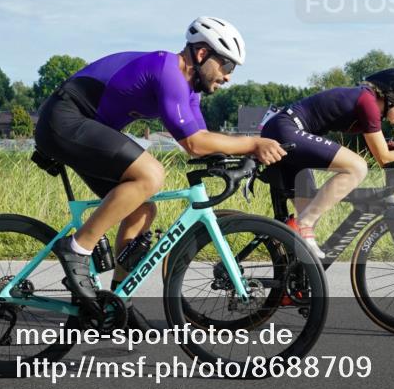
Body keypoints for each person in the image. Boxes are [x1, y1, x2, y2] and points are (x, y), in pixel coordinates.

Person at [33, 17, 286, 312]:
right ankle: (77, 247)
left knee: (141, 210)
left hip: (86, 126)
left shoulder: (189, 92)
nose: (228, 77)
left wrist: (244, 160)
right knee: (151, 174)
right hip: (64, 119)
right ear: (202, 54)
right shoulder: (167, 70)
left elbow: (204, 144)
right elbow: (194, 143)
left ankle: (117, 305)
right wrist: (254, 143)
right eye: (227, 66)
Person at [260, 67, 394, 258]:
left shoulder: (367, 103)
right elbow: (384, 158)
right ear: (393, 98)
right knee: (356, 167)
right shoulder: (367, 102)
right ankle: (303, 225)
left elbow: (382, 150)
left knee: (311, 209)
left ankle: (291, 281)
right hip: (286, 130)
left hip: (287, 131)